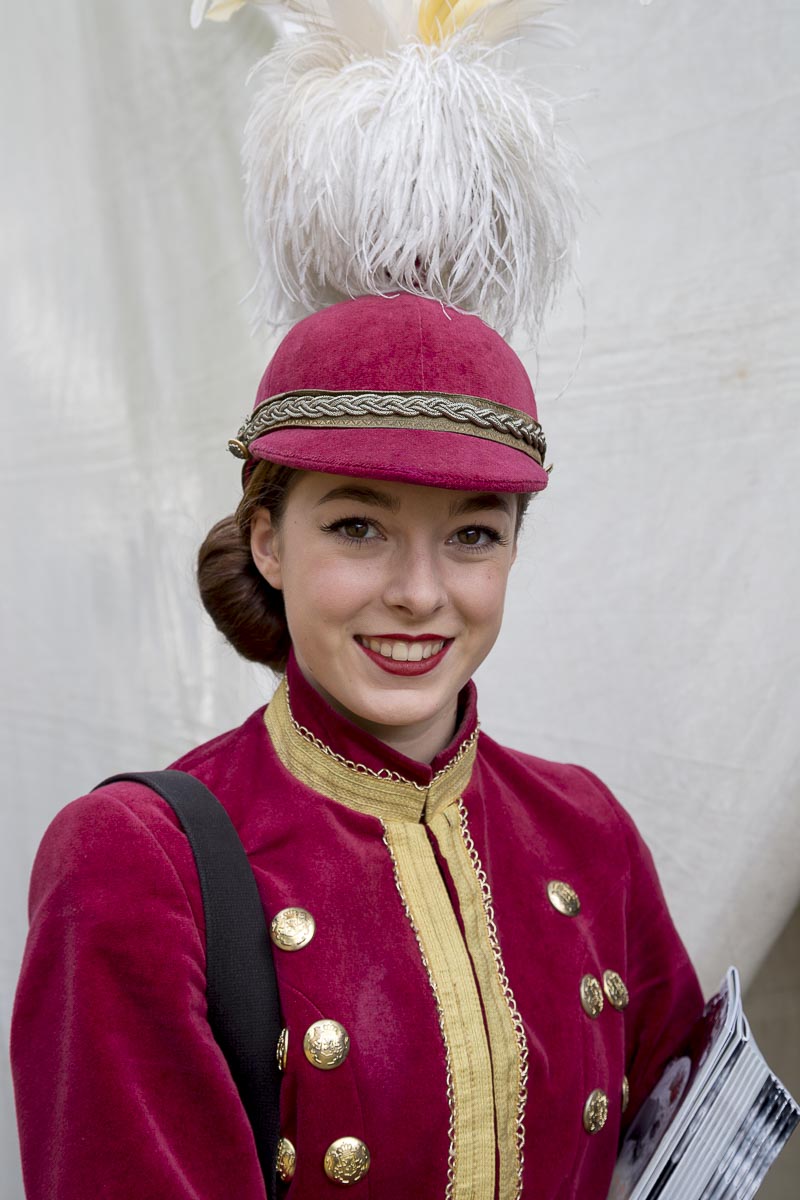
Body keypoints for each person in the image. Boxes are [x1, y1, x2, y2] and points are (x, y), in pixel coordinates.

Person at [11, 4, 704, 1197]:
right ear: (267, 540)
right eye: (357, 527)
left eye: (472, 534)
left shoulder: (587, 832)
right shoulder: (133, 863)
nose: (419, 594)